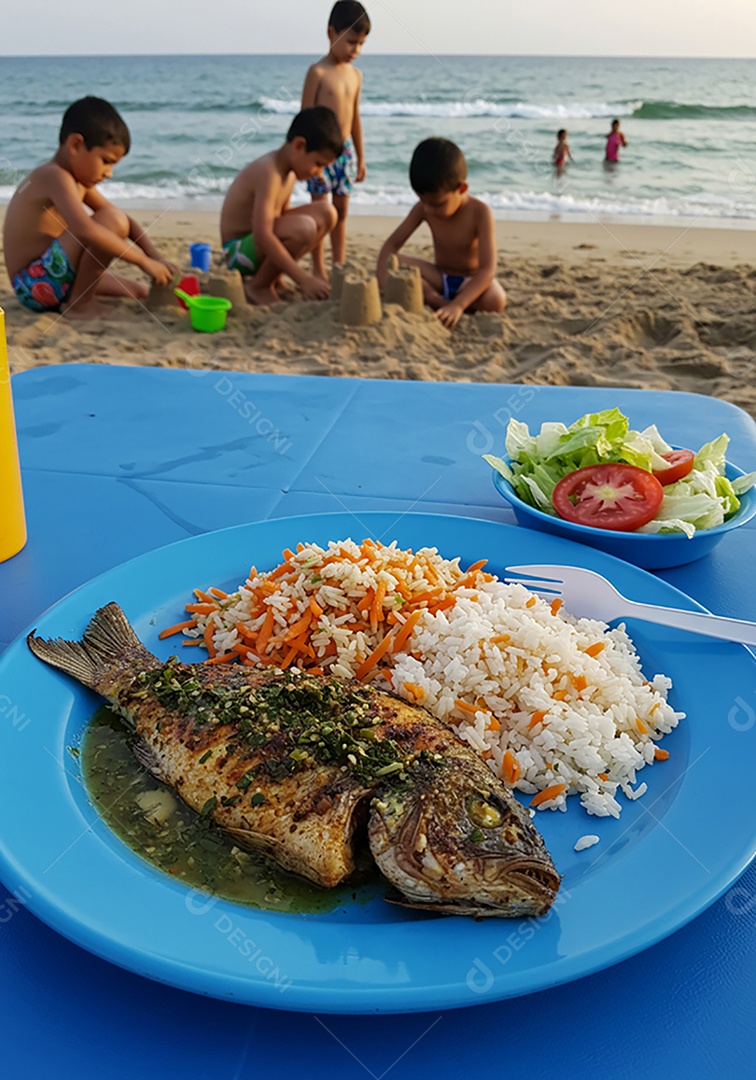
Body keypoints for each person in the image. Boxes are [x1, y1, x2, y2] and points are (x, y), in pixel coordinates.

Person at [3, 96, 176, 320]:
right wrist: (143, 262)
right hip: (34, 285)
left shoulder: (77, 181)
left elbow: (126, 221)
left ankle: (79, 298)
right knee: (112, 220)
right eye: (106, 161)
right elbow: (86, 229)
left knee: (138, 292)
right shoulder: (54, 176)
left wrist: (155, 257)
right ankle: (79, 305)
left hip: (59, 276)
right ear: (75, 145)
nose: (109, 173)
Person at [376, 137, 506, 331]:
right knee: (393, 262)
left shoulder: (480, 213)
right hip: (439, 277)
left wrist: (458, 304)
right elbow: (391, 246)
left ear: (461, 189)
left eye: (437, 204)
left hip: (470, 280)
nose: (428, 209)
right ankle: (435, 299)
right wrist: (382, 283)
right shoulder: (423, 208)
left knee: (496, 300)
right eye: (423, 201)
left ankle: (450, 303)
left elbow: (488, 270)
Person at [220, 107, 342, 305]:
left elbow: (281, 217)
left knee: (327, 212)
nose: (318, 172)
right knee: (303, 228)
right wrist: (303, 279)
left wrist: (317, 270)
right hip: (237, 253)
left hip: (255, 246)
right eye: (318, 164)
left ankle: (272, 278)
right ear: (299, 145)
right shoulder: (269, 172)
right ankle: (258, 286)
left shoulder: (289, 173)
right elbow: (262, 235)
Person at [301, 0, 370, 276]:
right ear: (332, 33)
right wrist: (308, 161)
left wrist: (361, 158)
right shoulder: (318, 73)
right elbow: (305, 118)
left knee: (341, 212)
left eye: (361, 44)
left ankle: (338, 266)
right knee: (320, 213)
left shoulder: (356, 75)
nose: (356, 50)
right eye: (351, 42)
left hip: (346, 151)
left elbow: (355, 118)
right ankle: (319, 268)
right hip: (319, 153)